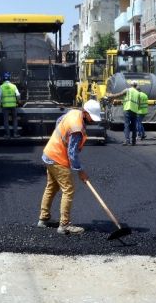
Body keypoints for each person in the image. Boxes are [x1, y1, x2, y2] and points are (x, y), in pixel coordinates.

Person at [38, 99, 102, 235]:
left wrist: (62, 140)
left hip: (49, 153)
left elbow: (59, 121)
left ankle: (43, 219)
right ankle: (64, 225)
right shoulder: (77, 128)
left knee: (51, 187)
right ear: (85, 113)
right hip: (57, 158)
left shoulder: (73, 112)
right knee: (68, 190)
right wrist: (81, 171)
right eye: (92, 117)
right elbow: (72, 154)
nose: (93, 120)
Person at [105, 80, 140, 146]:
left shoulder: (127, 90)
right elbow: (139, 102)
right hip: (135, 110)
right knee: (134, 126)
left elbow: (118, 95)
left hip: (127, 109)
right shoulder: (138, 93)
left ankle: (127, 140)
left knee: (126, 125)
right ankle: (134, 141)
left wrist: (109, 96)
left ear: (131, 84)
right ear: (136, 85)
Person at [0, 72, 21, 138]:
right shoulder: (14, 86)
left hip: (5, 106)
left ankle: (7, 135)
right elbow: (18, 95)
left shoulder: (1, 87)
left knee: (6, 120)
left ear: (3, 79)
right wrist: (18, 101)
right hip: (13, 106)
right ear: (10, 78)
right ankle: (15, 134)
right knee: (15, 119)